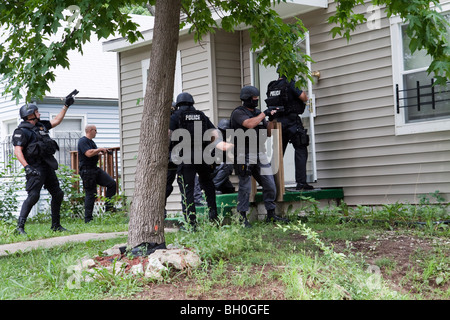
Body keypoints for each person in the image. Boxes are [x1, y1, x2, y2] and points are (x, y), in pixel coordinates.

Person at [12, 98, 74, 234]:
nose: (39, 114)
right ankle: (20, 227)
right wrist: (27, 166)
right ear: (30, 115)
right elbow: (18, 151)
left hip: (47, 165)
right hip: (34, 167)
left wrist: (66, 106)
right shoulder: (21, 131)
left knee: (58, 194)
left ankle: (56, 226)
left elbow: (56, 121)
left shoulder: (41, 126)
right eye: (37, 112)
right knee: (33, 196)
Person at [169, 92, 231, 229]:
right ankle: (214, 218)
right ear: (192, 102)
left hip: (185, 157)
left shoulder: (176, 116)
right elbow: (215, 134)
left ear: (178, 104)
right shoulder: (201, 115)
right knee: (208, 187)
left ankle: (191, 224)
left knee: (188, 190)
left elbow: (168, 135)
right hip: (203, 156)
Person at [230, 85, 288, 227]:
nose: (255, 101)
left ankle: (271, 215)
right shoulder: (238, 112)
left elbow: (268, 133)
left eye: (257, 99)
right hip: (244, 153)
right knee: (245, 187)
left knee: (270, 184)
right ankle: (242, 217)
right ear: (246, 99)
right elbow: (249, 124)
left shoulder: (257, 113)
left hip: (260, 153)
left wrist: (272, 119)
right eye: (253, 99)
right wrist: (264, 113)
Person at [265, 67, 312, 190]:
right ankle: (301, 183)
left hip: (277, 123)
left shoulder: (272, 86)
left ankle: (271, 184)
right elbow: (304, 98)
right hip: (292, 122)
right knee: (301, 148)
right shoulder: (290, 83)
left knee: (278, 153)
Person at [77, 124, 117, 223]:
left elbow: (92, 153)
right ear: (90, 130)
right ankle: (88, 219)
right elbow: (88, 153)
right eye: (95, 130)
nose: (96, 132)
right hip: (87, 171)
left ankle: (109, 209)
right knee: (91, 194)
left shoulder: (91, 142)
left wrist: (101, 152)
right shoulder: (83, 141)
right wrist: (99, 149)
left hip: (94, 169)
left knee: (112, 183)